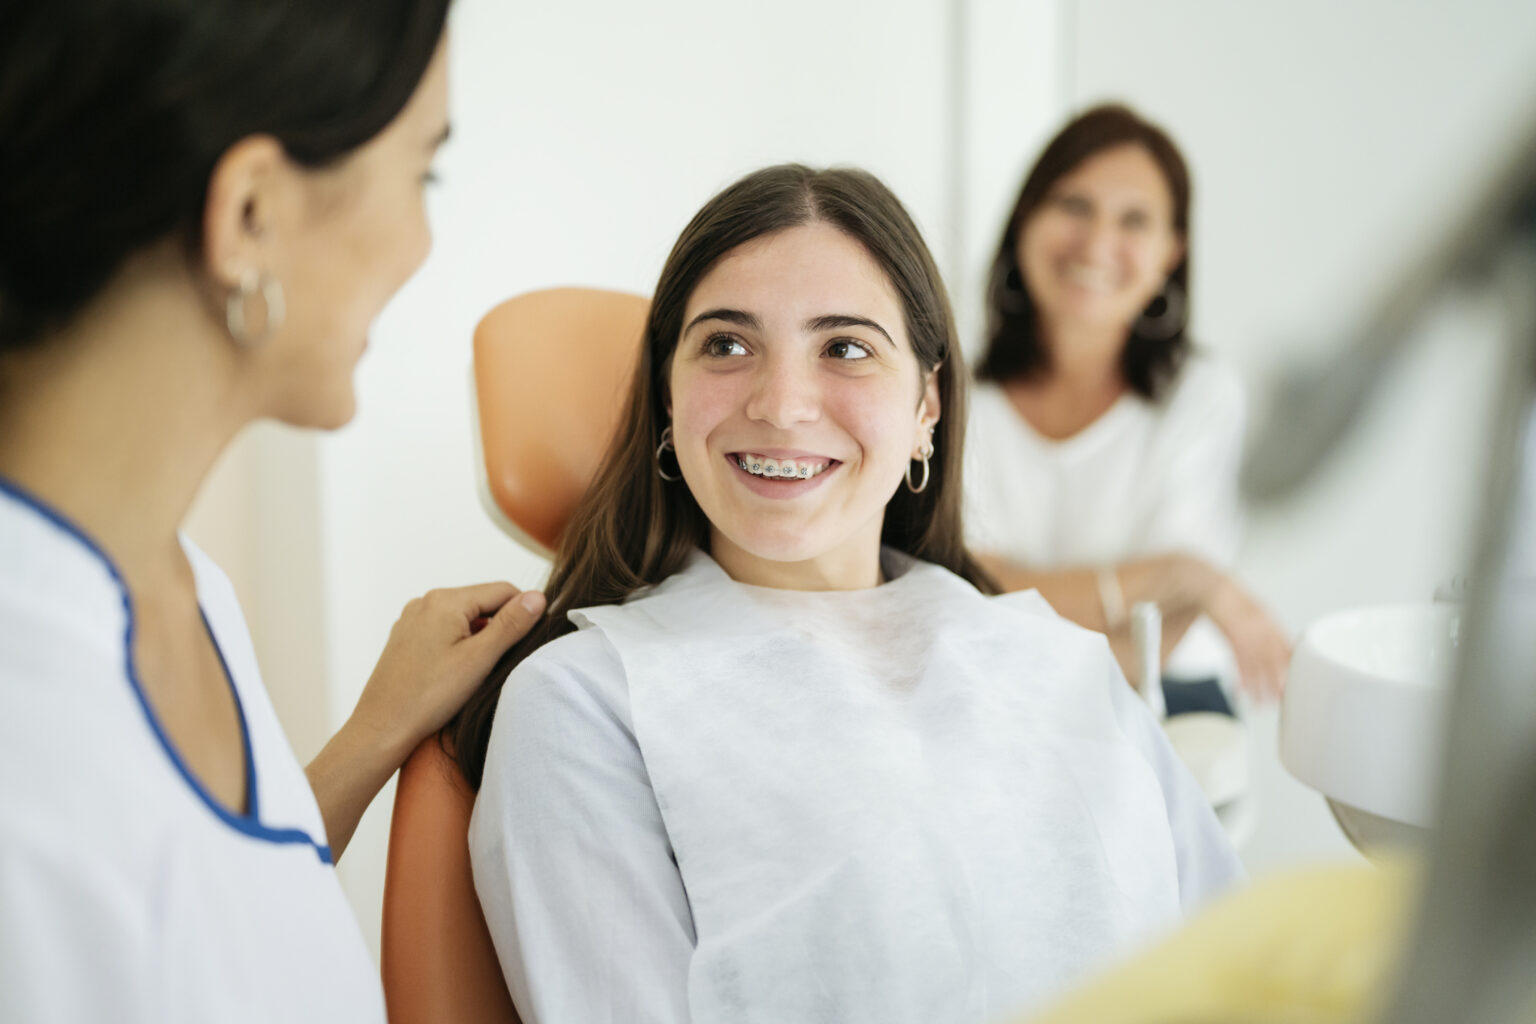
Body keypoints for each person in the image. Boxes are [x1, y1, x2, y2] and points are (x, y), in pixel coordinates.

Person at [456, 164, 1244, 1024]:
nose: (783, 404)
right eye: (726, 344)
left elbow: (1242, 966)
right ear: (667, 399)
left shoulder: (1056, 661)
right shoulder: (585, 704)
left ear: (926, 407)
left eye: (846, 348)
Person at [0, 3, 545, 1020]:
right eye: (422, 173)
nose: (425, 242)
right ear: (250, 213)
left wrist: (372, 736)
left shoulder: (173, 582)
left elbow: (205, 916)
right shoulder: (27, 749)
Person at [965, 104, 1289, 703]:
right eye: (1074, 206)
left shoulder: (1202, 396)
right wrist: (1174, 576)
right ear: (1025, 220)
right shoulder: (955, 397)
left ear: (1171, 253)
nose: (1097, 243)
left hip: (1165, 696)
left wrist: (1009, 606)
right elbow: (963, 592)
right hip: (996, 695)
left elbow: (1161, 635)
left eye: (1134, 220)